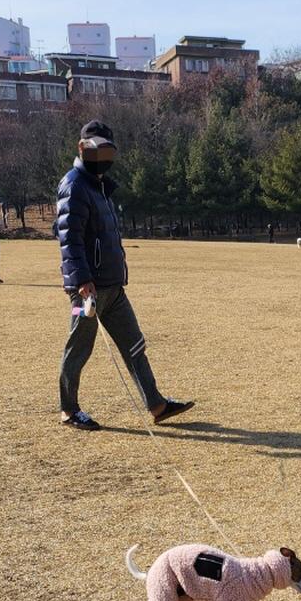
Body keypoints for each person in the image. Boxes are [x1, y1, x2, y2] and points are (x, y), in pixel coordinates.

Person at [56, 120, 194, 432]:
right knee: (78, 349)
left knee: (134, 344)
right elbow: (70, 238)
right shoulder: (74, 185)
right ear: (83, 149)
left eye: (108, 149)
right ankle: (68, 409)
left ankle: (156, 404)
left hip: (113, 286)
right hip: (86, 290)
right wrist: (81, 281)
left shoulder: (100, 187)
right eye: (98, 149)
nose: (104, 156)